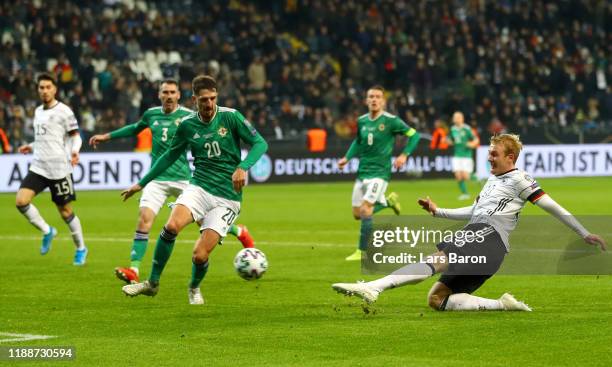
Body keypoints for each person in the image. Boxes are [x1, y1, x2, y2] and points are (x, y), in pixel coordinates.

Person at [332, 134, 607, 311]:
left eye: (494, 154)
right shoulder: (493, 180)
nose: (489, 157)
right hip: (490, 246)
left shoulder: (520, 179)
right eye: (489, 153)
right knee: (437, 299)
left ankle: (374, 287)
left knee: (439, 258)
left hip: (488, 236)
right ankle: (504, 305)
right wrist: (438, 212)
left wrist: (584, 232)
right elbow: (475, 210)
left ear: (510, 157)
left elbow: (551, 206)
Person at [89, 80, 255, 285]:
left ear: (179, 95)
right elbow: (135, 129)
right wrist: (107, 137)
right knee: (146, 219)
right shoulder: (152, 115)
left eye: (172, 92)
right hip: (158, 179)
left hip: (184, 178)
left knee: (203, 223)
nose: (168, 95)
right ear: (159, 94)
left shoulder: (189, 116)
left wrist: (241, 166)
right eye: (165, 92)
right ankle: (135, 269)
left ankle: (238, 231)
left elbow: (255, 142)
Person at [120, 75, 268, 305]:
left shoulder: (231, 117)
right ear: (193, 99)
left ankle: (194, 286)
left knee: (199, 255)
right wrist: (142, 183)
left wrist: (243, 166)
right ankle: (152, 283)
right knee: (171, 226)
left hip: (228, 197)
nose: (209, 104)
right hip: (199, 186)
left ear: (216, 96)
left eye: (212, 98)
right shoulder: (188, 125)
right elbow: (169, 155)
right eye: (203, 100)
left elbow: (261, 144)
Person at [338, 85, 420, 261]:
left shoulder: (392, 121)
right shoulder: (361, 121)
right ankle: (388, 202)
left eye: (377, 97)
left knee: (366, 210)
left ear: (383, 101)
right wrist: (347, 158)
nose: (374, 99)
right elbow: (358, 142)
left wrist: (404, 155)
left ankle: (362, 252)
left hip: (380, 173)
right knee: (357, 214)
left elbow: (414, 135)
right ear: (366, 100)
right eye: (371, 96)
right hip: (362, 172)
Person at [15, 73, 88, 265]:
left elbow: (75, 136)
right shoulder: (38, 111)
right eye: (41, 87)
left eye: (48, 87)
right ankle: (47, 231)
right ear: (38, 90)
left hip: (59, 169)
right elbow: (46, 138)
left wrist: (75, 151)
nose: (45, 91)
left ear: (55, 89)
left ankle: (81, 248)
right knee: (21, 201)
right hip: (39, 166)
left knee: (65, 211)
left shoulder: (64, 111)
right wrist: (30, 146)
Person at [447, 111, 479, 200]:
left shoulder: (467, 129)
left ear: (461, 119)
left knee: (465, 176)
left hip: (466, 155)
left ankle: (475, 176)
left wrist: (471, 144)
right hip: (457, 154)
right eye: (454, 117)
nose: (455, 119)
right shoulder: (453, 129)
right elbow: (449, 138)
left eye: (456, 117)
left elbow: (476, 140)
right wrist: (449, 141)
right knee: (458, 175)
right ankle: (465, 193)